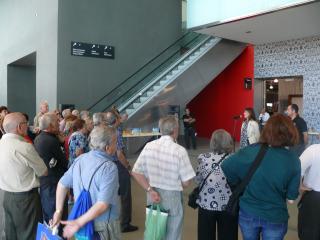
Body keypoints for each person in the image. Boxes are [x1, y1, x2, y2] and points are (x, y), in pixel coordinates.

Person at [222, 114, 301, 240]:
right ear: (290, 133)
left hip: (248, 211)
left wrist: (239, 182)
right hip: (275, 216)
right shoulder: (293, 160)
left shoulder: (250, 150)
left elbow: (226, 166)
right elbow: (291, 198)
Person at [132, 115, 195, 240]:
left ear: (161, 130)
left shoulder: (148, 146)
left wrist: (150, 189)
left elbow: (136, 172)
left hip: (153, 194)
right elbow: (187, 182)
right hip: (172, 196)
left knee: (154, 232)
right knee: (172, 234)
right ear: (175, 130)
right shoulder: (179, 150)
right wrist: (174, 183)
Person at [51, 126, 121, 239]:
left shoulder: (80, 159)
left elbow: (62, 184)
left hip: (81, 220)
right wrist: (78, 222)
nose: (116, 145)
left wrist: (58, 211)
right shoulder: (109, 167)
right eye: (115, 142)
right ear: (107, 147)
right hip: (102, 225)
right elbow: (102, 204)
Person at [0, 112, 48, 240]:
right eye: (26, 124)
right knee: (30, 235)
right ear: (19, 127)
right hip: (26, 199)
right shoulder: (24, 147)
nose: (29, 127)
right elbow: (43, 171)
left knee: (11, 235)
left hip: (7, 197)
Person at [196, 129, 238, 240]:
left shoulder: (202, 158)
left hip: (206, 203)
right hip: (229, 206)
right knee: (228, 235)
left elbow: (198, 179)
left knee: (205, 235)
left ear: (212, 142)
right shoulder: (234, 159)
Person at [105, 111, 138, 233]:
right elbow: (119, 153)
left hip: (105, 165)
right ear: (116, 120)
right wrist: (128, 167)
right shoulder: (116, 132)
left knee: (110, 193)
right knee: (125, 194)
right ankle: (125, 223)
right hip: (118, 166)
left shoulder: (103, 131)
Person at [34, 113, 69, 225]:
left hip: (46, 183)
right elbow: (64, 162)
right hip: (53, 184)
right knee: (57, 217)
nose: (59, 124)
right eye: (56, 122)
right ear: (49, 126)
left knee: (50, 217)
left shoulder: (39, 138)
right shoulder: (51, 141)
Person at [298, 144, 320, 240]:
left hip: (313, 197)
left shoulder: (313, 149)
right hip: (313, 197)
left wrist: (299, 185)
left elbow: (297, 169)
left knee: (309, 232)